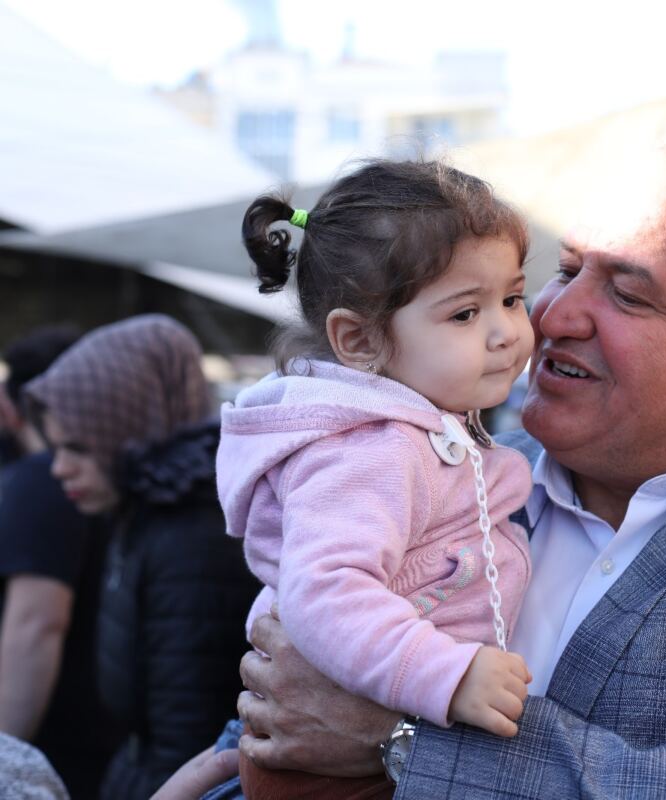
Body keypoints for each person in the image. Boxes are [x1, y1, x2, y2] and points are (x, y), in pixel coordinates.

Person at [183, 139, 666, 799]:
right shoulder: (457, 469)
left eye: (627, 294)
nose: (552, 315)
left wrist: (407, 740)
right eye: (566, 270)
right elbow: (290, 702)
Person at [219, 160, 536, 798]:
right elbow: (325, 591)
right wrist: (447, 675)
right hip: (332, 777)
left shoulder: (425, 426)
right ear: (360, 340)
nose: (506, 332)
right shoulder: (372, 449)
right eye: (464, 314)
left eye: (511, 299)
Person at [23, 315, 261, 800]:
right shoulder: (147, 513)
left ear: (128, 427)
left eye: (77, 448)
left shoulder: (188, 540)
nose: (59, 468)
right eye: (56, 447)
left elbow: (188, 741)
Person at [0, 325, 119, 799]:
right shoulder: (106, 478)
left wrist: (7, 760)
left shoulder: (40, 482)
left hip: (58, 749)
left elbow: (37, 625)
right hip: (98, 740)